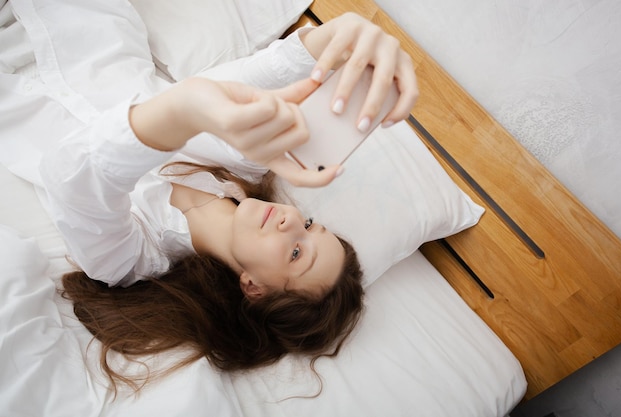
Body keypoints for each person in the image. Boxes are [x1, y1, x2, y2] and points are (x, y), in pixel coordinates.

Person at [42, 12, 419, 390]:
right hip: (89, 22)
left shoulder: (131, 259)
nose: (289, 222)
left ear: (254, 287)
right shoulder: (244, 162)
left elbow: (70, 176)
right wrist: (331, 40)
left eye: (295, 254)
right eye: (307, 225)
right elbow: (264, 77)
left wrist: (182, 109)